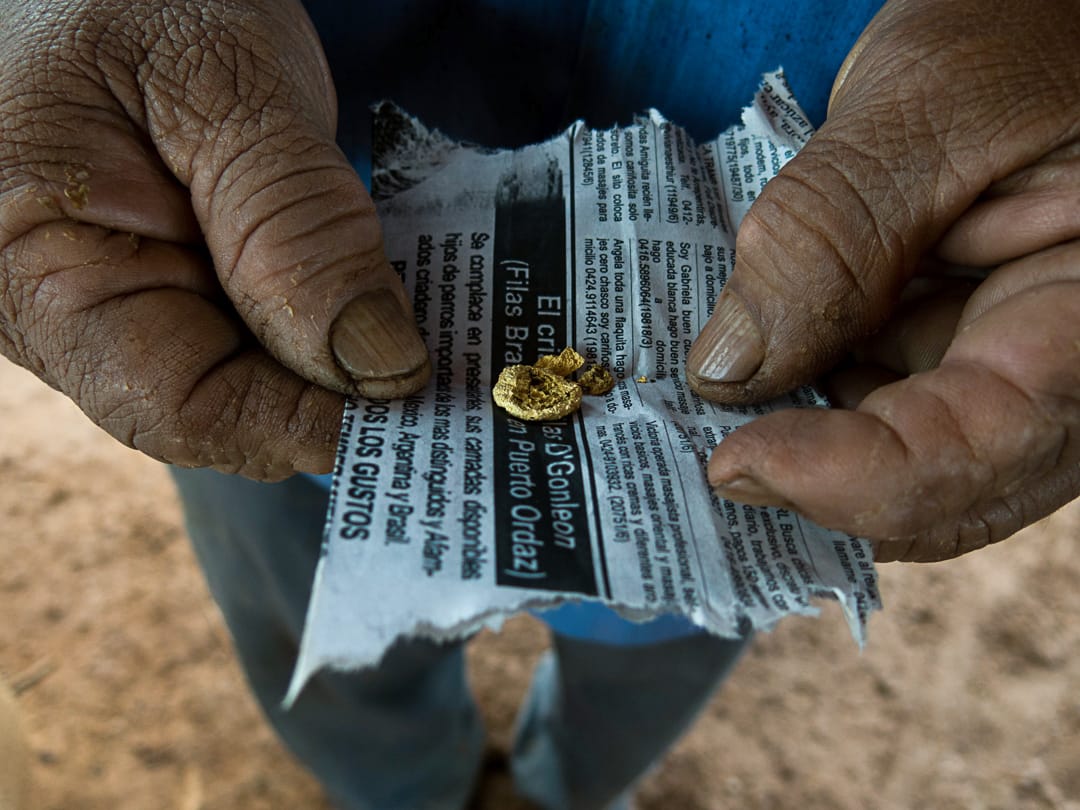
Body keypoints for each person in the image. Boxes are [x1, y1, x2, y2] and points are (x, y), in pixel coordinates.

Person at [0, 0, 1076, 807]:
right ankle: (403, 790)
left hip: (805, 350)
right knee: (323, 637)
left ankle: (566, 788)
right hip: (261, 291)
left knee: (653, 655)